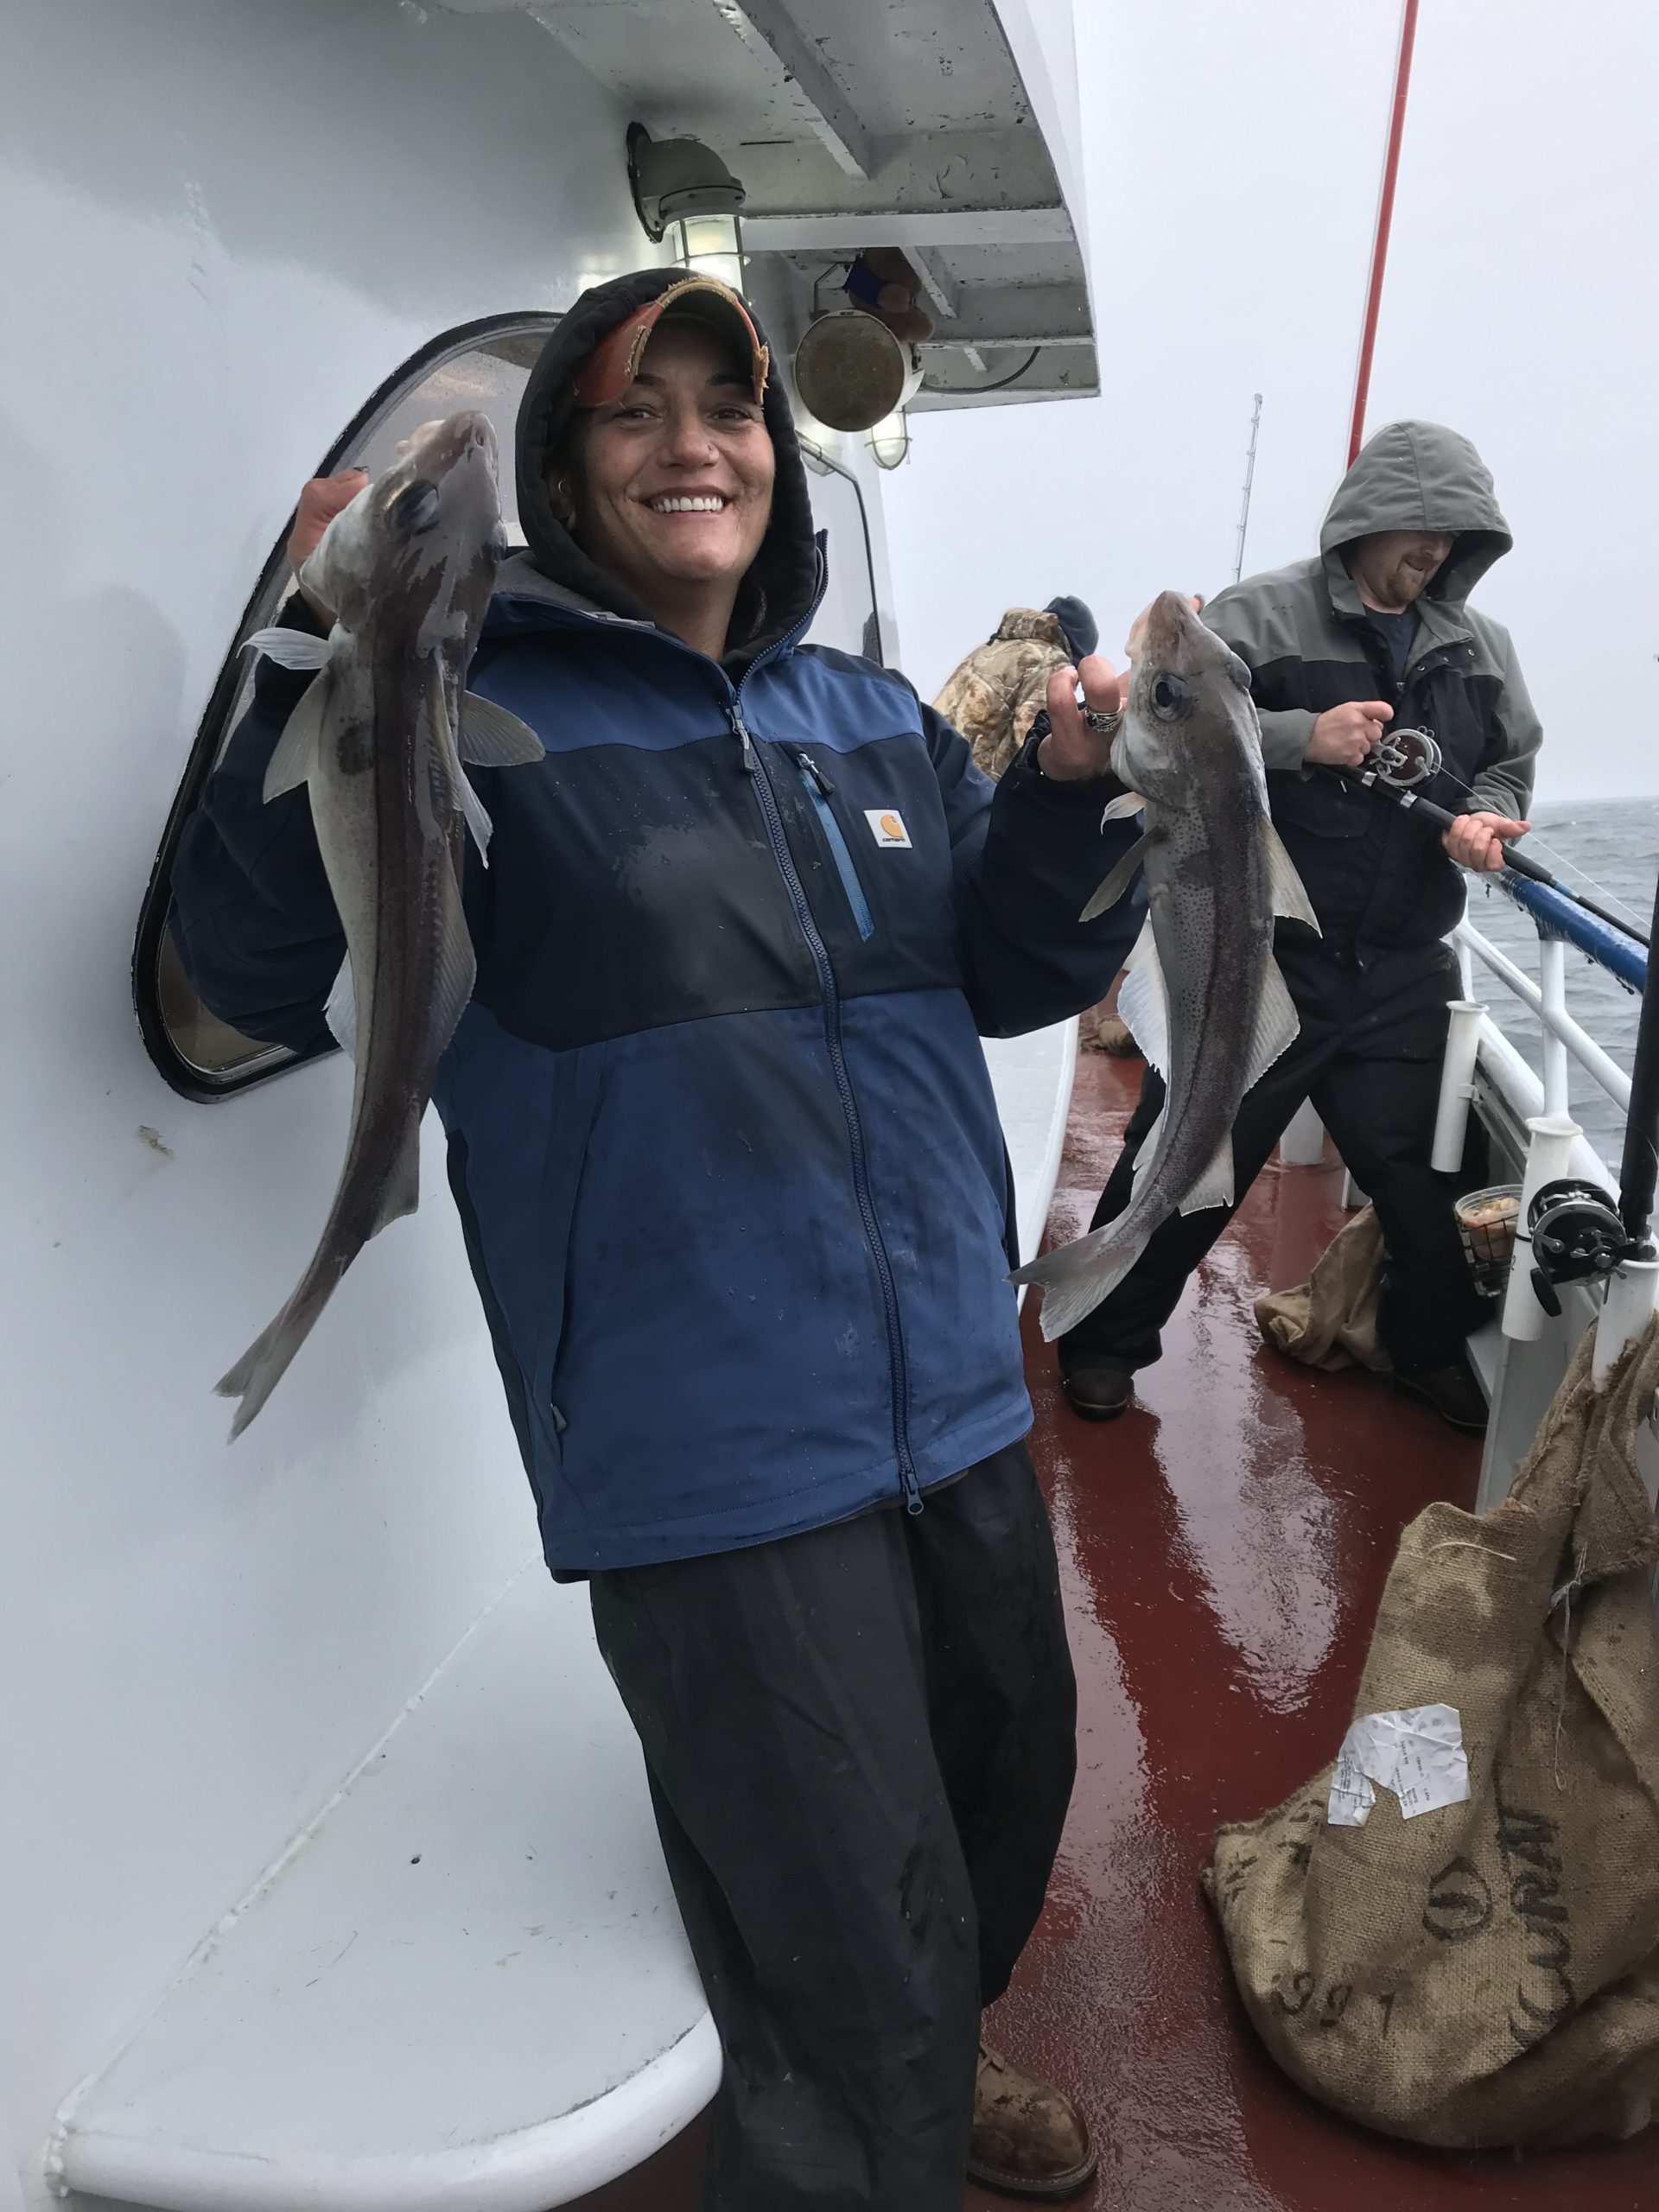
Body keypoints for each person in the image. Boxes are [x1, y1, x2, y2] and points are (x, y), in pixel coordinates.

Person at [168, 269, 1145, 2210]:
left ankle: (931, 2066)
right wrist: (310, 645)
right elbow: (254, 966)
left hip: (948, 1384)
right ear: (564, 466)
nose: (693, 443)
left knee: (1001, 1788)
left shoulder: (870, 716)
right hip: (708, 1450)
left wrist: (1058, 801)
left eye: (731, 406)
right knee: (832, 1962)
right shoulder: (472, 705)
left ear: (780, 458)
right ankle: (880, 2109)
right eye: (634, 410)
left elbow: (1027, 967)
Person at [1057, 419, 1541, 1437]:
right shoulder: (1260, 616)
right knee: (1187, 1153)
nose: (1438, 552)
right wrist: (1300, 737)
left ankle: (1424, 1353)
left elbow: (1508, 757)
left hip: (1406, 963)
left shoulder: (1480, 648)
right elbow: (1167, 737)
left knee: (1424, 1189)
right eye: (1424, 529)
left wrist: (1487, 813)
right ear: (1369, 517)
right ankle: (1098, 1339)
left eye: (1457, 538)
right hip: (1264, 952)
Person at [933, 595, 1101, 781]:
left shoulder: (996, 646)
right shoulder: (1051, 659)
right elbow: (1033, 733)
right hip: (971, 784)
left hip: (936, 761)